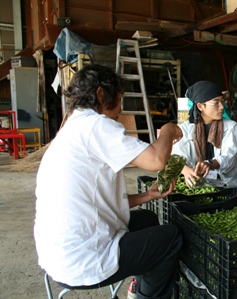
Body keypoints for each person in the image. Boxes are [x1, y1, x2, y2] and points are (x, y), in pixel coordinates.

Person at [34, 64, 184, 299]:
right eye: (120, 98)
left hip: (58, 255)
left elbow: (95, 200)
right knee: (171, 238)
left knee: (148, 219)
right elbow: (156, 160)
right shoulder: (94, 125)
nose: (121, 108)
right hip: (83, 260)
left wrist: (148, 196)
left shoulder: (71, 129)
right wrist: (167, 129)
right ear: (101, 94)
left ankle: (138, 287)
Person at [171, 80, 237, 188]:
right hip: (195, 183)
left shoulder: (231, 127)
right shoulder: (185, 129)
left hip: (224, 184)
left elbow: (229, 157)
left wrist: (210, 163)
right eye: (216, 102)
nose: (222, 107)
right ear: (200, 106)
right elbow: (175, 157)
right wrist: (185, 170)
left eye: (222, 101)